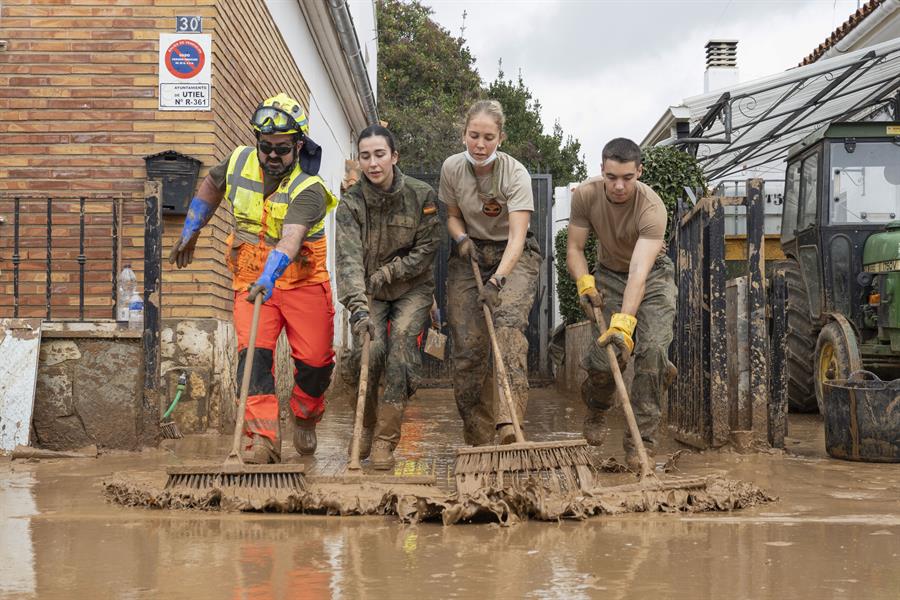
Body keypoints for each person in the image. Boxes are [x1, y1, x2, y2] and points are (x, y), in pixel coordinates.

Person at [169, 93, 339, 463]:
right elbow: (212, 186)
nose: (272, 156)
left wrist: (271, 274)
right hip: (250, 282)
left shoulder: (309, 188)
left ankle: (305, 416)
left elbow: (291, 238)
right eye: (266, 147)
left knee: (315, 364)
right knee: (253, 360)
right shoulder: (239, 161)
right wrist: (192, 229)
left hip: (301, 283)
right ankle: (262, 440)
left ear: (298, 145)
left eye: (282, 149)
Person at [566, 137, 676, 470]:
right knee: (604, 359)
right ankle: (598, 407)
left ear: (639, 172)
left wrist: (624, 324)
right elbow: (574, 249)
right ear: (602, 170)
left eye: (627, 178)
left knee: (653, 351)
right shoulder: (585, 196)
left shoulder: (652, 208)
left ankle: (641, 445)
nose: (618, 186)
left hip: (652, 276)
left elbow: (639, 274)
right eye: (611, 177)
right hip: (609, 274)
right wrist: (585, 282)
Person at [336, 125, 441, 469]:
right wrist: (357, 309)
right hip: (370, 292)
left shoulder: (420, 195)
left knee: (399, 353)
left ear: (394, 156)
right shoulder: (351, 204)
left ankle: (385, 438)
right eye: (365, 156)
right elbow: (348, 259)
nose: (373, 163)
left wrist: (390, 271)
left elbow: (427, 249)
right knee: (370, 348)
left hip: (413, 288)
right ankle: (364, 426)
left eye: (380, 154)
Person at [440, 99, 542, 446]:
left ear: (501, 138)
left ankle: (509, 426)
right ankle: (478, 438)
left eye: (488, 137)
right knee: (469, 346)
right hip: (470, 253)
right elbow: (452, 215)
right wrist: (461, 237)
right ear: (463, 134)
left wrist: (498, 280)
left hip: (514, 255)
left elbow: (517, 235)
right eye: (473, 136)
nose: (480, 145)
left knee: (508, 328)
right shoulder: (452, 168)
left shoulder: (515, 174)